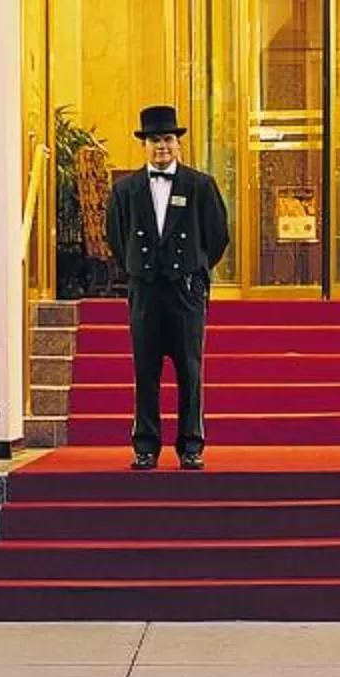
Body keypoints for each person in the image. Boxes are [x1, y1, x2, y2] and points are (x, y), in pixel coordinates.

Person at [103, 101, 229, 468]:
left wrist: (197, 271)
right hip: (145, 289)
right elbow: (116, 235)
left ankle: (191, 446)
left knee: (190, 370)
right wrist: (136, 267)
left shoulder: (200, 185)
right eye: (155, 140)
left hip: (185, 289)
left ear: (179, 144)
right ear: (144, 145)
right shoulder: (125, 190)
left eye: (169, 139)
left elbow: (217, 236)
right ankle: (145, 446)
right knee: (145, 370)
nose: (162, 146)